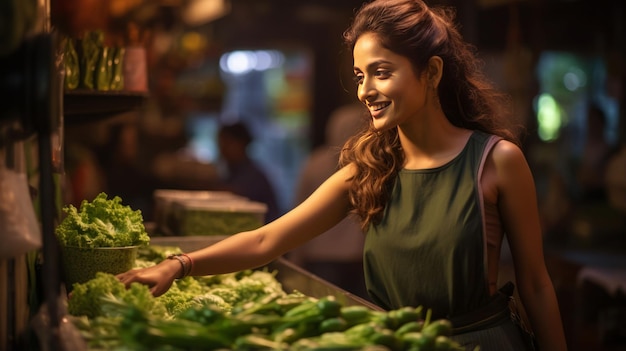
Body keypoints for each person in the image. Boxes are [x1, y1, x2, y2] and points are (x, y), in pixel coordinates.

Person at [117, 1, 567, 350]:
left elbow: (535, 283)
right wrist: (178, 265)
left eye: (381, 72)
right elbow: (265, 241)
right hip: (394, 342)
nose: (365, 90)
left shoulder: (497, 160)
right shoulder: (369, 170)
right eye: (359, 75)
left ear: (431, 72)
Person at [287, 103, 369, 299]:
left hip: (322, 255)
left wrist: (295, 258)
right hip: (356, 257)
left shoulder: (315, 162)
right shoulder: (371, 165)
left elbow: (299, 208)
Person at [211, 121, 280, 223]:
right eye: (220, 144)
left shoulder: (253, 176)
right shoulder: (231, 172)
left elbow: (234, 195)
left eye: (227, 144)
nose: (222, 150)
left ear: (242, 144)